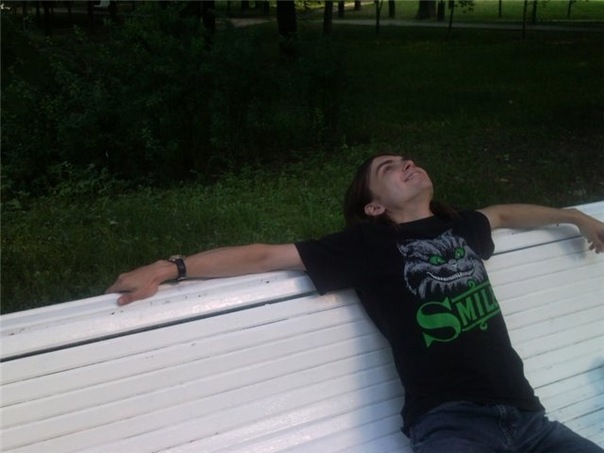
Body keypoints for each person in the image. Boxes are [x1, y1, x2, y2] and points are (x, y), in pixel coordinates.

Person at [107, 154, 604, 452]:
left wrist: (574, 217)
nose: (407, 164)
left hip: (529, 419)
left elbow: (503, 214)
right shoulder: (368, 245)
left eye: (407, 159)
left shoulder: (461, 226)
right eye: (389, 168)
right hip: (452, 423)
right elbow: (265, 255)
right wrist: (169, 267)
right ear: (374, 206)